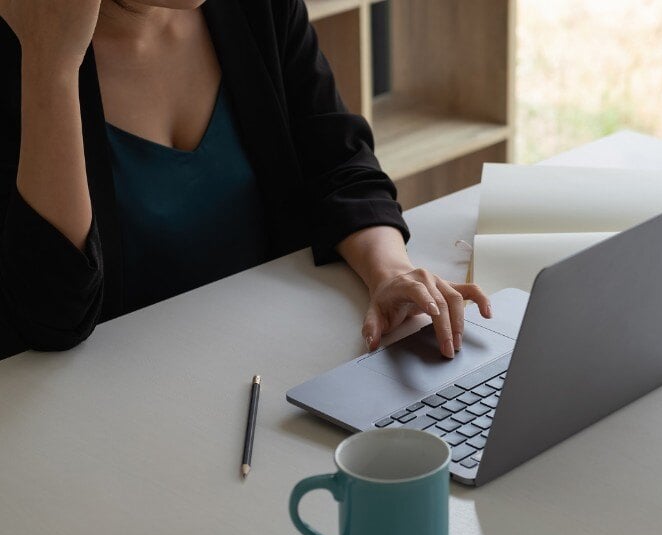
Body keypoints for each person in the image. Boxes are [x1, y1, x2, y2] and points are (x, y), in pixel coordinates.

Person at [0, 0, 491, 362]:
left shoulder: (252, 10)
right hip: (104, 411)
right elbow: (51, 317)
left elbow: (337, 162)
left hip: (271, 366)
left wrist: (389, 270)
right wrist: (51, 67)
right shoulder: (26, 45)